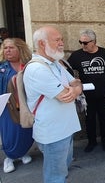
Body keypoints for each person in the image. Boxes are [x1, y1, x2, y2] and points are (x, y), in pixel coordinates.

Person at [23, 26, 82, 182]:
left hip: (65, 128)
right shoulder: (36, 69)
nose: (62, 43)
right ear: (42, 44)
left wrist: (75, 90)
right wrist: (75, 90)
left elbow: (77, 83)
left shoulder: (55, 63)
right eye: (57, 40)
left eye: (61, 39)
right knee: (55, 176)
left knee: (63, 168)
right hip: (53, 133)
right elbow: (65, 96)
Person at [68, 29, 105, 152]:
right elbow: (67, 69)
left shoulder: (104, 53)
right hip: (86, 95)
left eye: (85, 43)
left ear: (94, 41)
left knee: (104, 118)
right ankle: (91, 142)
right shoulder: (76, 55)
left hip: (103, 93)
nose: (82, 45)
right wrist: (74, 82)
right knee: (89, 120)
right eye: (81, 42)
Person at [0, 38, 33, 173]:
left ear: (20, 49)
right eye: (5, 48)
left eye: (11, 48)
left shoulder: (28, 65)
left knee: (26, 130)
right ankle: (9, 157)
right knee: (10, 132)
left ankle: (23, 152)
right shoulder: (2, 68)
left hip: (26, 105)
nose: (7, 50)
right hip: (8, 107)